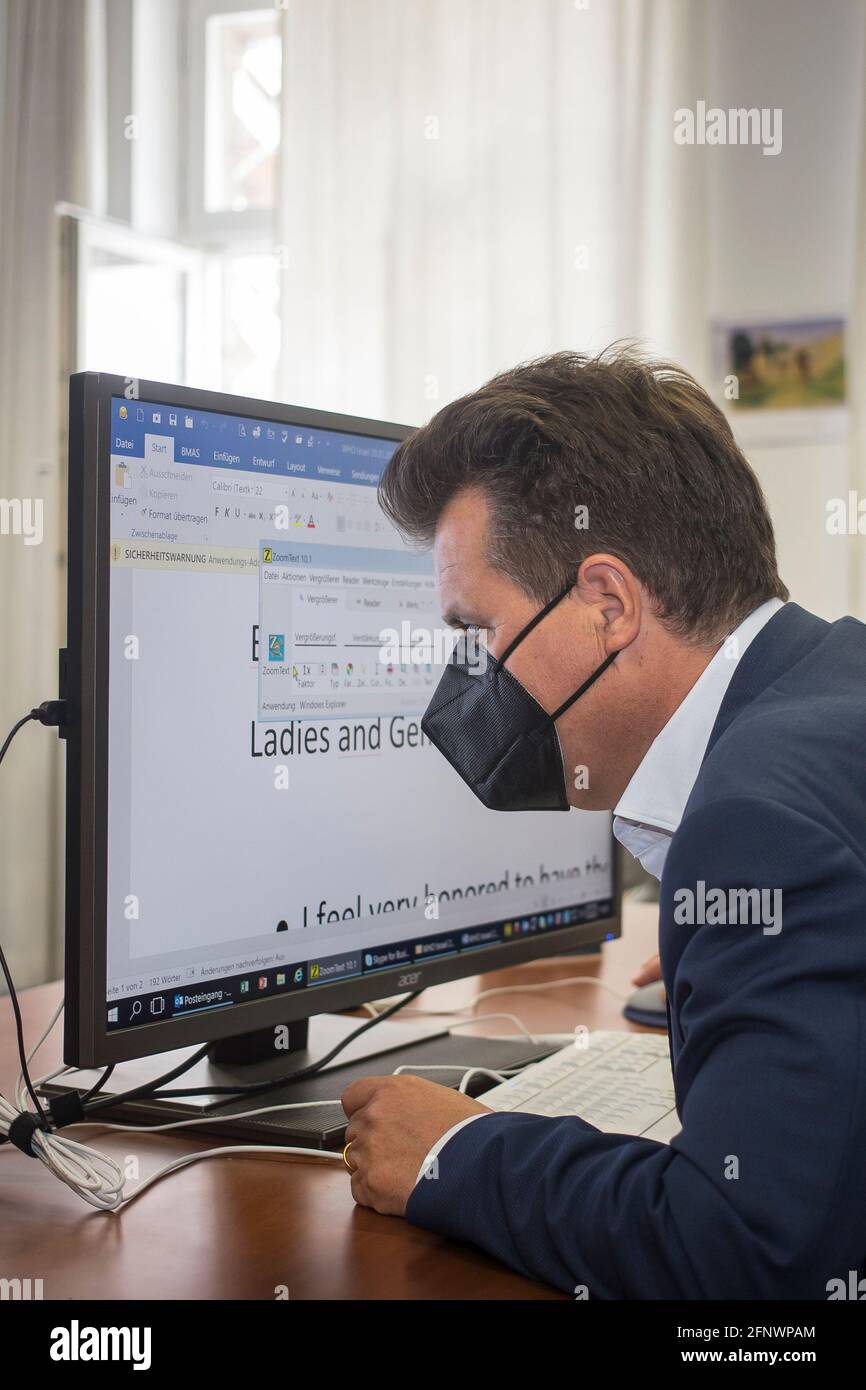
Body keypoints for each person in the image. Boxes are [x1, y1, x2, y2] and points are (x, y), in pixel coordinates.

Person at [340, 347, 866, 1298]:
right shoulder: (836, 677)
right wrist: (739, 968)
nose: (467, 681)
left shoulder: (758, 822)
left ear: (608, 605)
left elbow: (752, 1255)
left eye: (477, 632)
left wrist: (458, 1153)